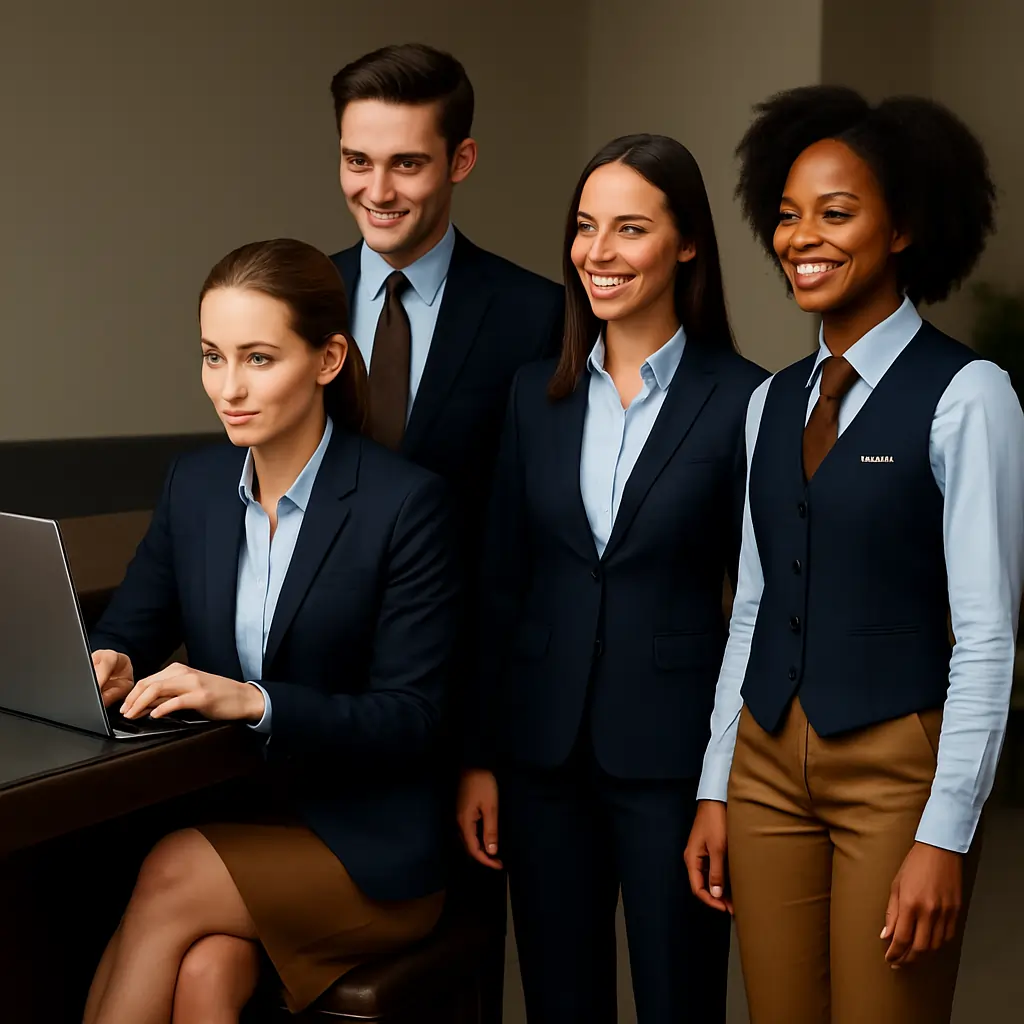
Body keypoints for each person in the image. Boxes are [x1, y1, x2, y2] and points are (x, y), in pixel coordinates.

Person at [686, 85, 1024, 1024]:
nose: (804, 237)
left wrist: (946, 837)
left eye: (837, 213)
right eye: (789, 215)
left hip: (893, 774)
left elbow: (989, 638)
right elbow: (750, 607)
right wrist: (718, 785)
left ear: (905, 226)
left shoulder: (969, 395)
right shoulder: (771, 401)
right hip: (762, 767)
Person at [83, 239, 459, 1023]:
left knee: (170, 870)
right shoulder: (195, 487)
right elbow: (133, 625)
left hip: (374, 848)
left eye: (258, 358)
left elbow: (413, 719)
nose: (229, 388)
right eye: (212, 357)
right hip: (250, 824)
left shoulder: (405, 505)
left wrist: (254, 702)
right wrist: (108, 659)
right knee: (206, 973)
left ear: (328, 358)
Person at [458, 134, 768, 1023]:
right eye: (586, 228)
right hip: (540, 753)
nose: (599, 252)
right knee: (559, 1000)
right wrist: (482, 755)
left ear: (687, 243)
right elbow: (500, 583)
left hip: (673, 758)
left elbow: (758, 603)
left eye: (630, 228)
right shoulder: (533, 395)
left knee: (680, 998)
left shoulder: (748, 399)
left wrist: (724, 783)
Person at [328, 42, 563, 562]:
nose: (379, 191)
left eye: (407, 164)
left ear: (461, 160)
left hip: (465, 633)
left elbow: (538, 518)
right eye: (358, 162)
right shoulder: (296, 297)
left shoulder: (538, 315)